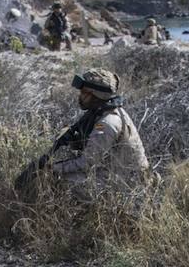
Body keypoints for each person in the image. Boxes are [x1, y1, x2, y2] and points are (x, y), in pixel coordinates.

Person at [14, 68, 148, 199]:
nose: (80, 96)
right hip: (116, 171)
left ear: (96, 95)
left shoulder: (108, 122)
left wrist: (52, 168)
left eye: (84, 92)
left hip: (128, 182)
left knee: (58, 179)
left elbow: (87, 162)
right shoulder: (100, 112)